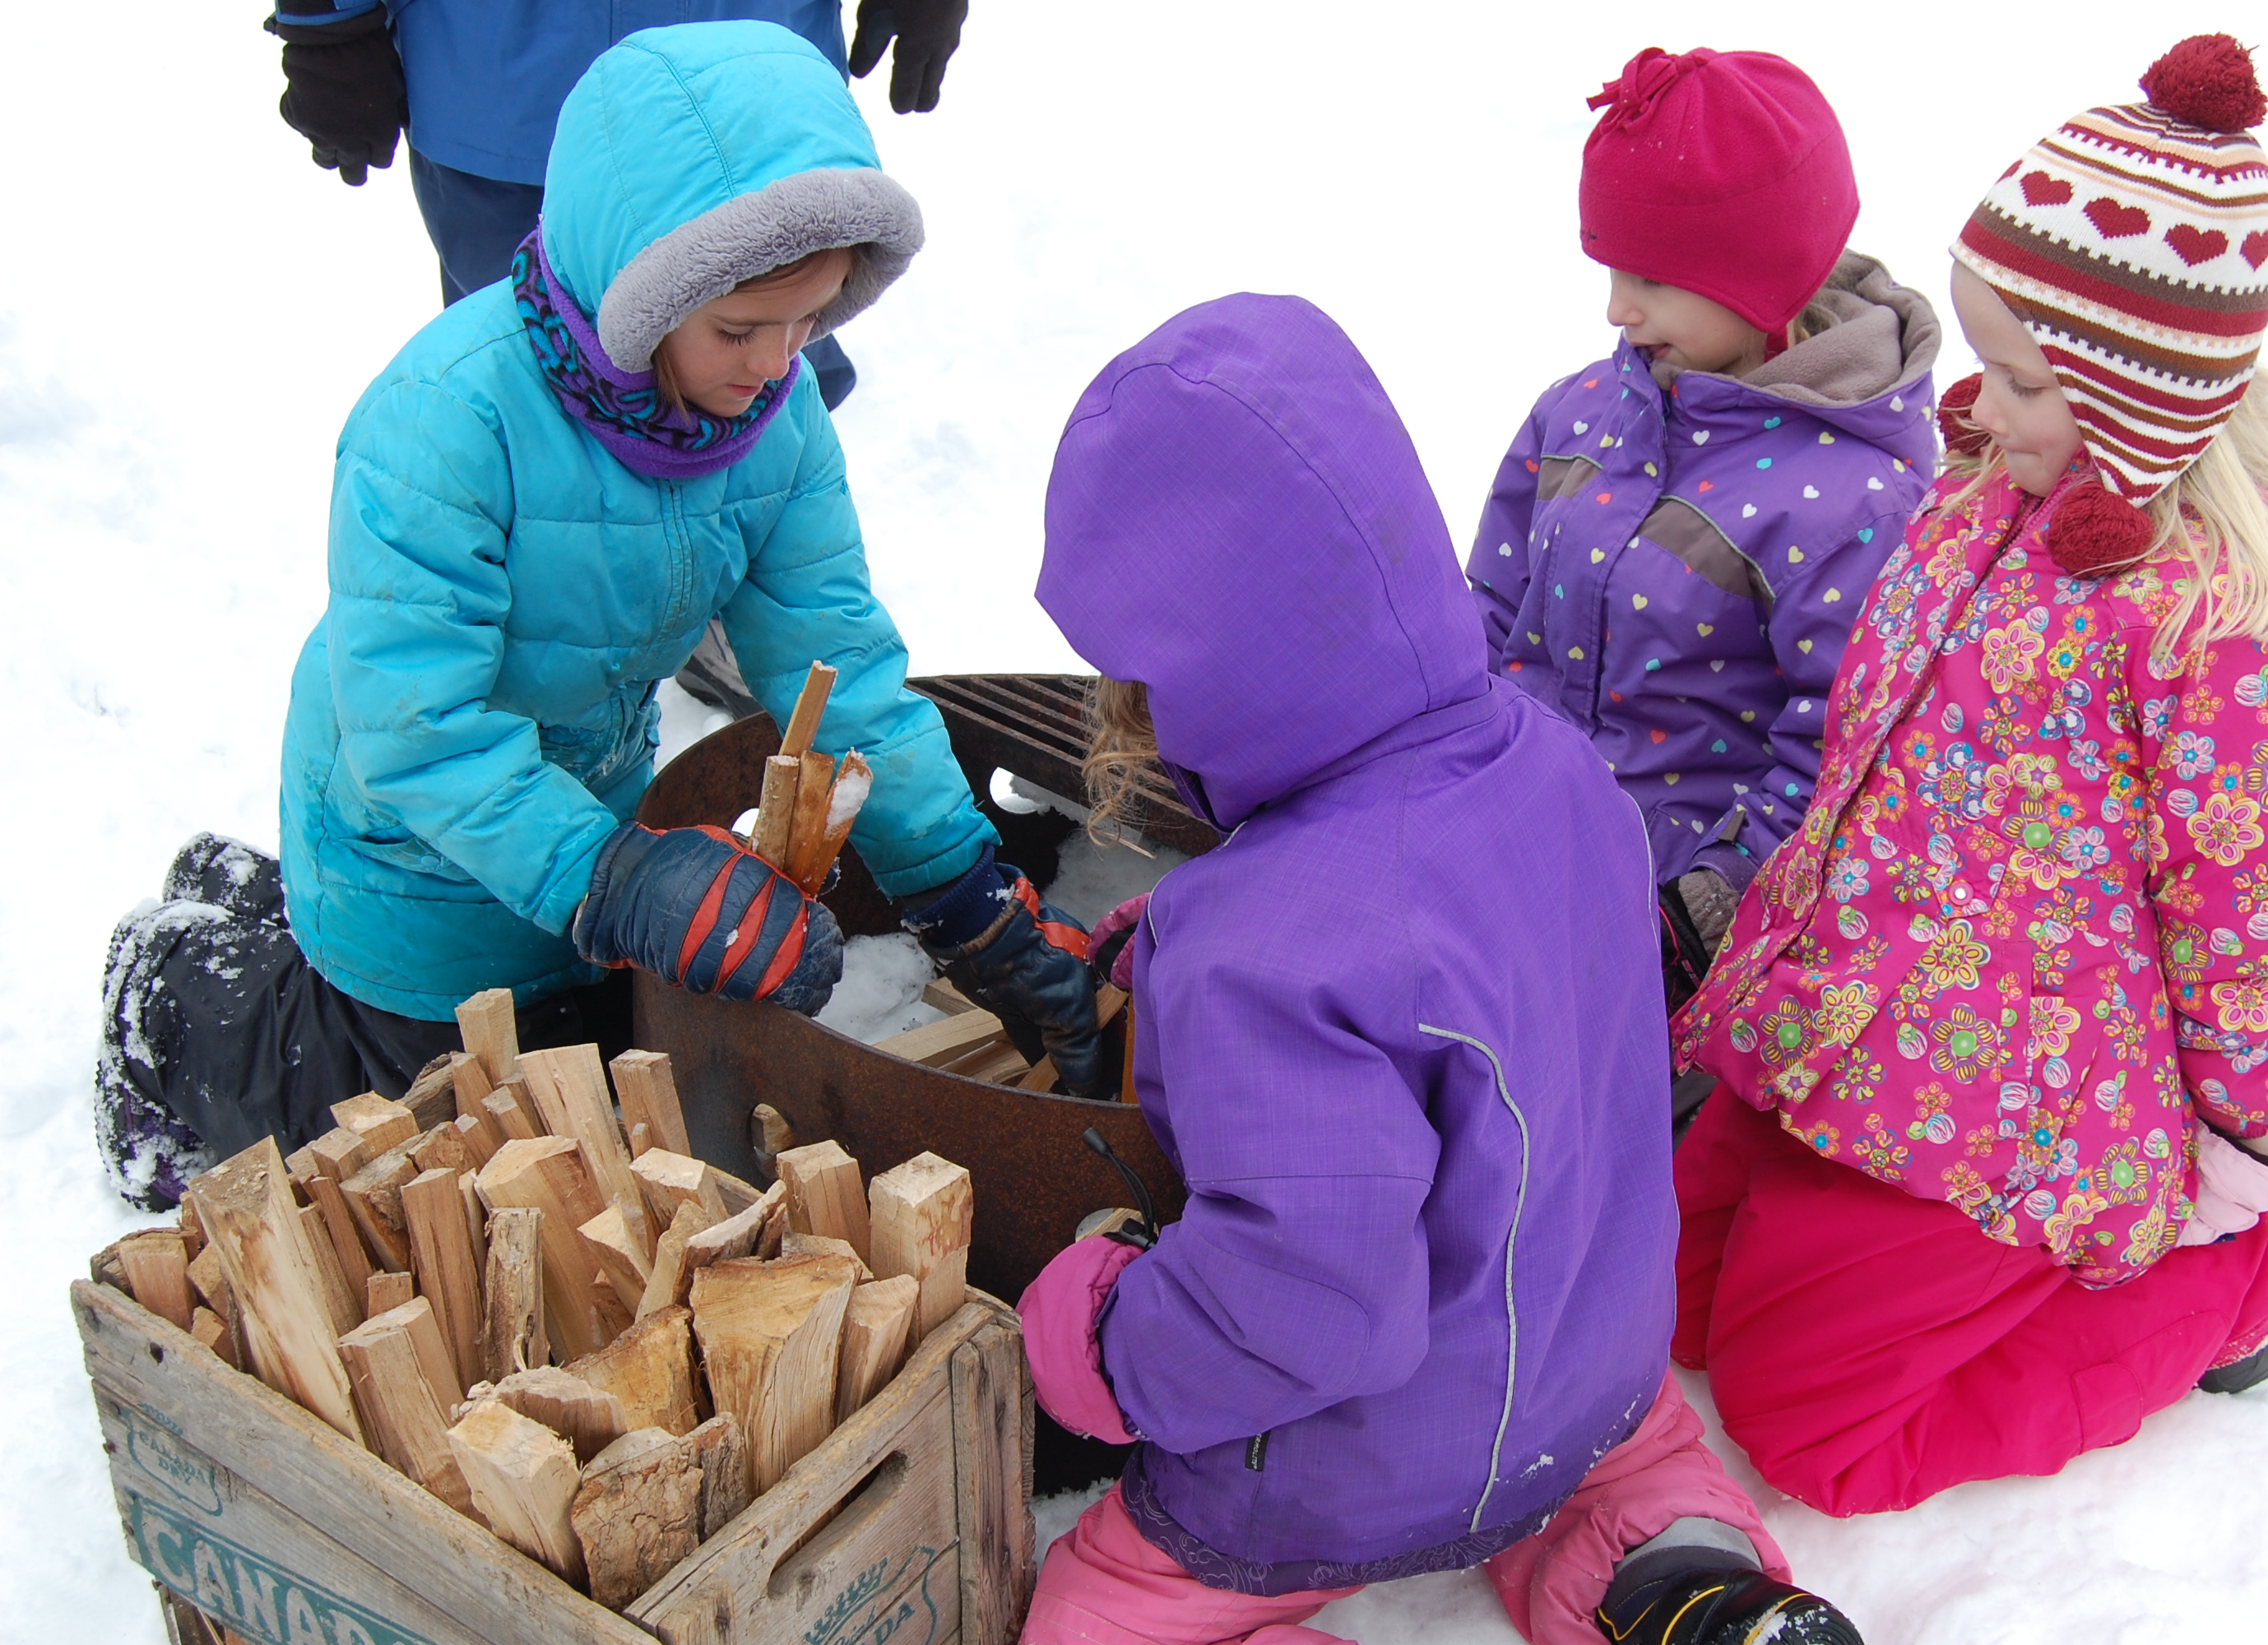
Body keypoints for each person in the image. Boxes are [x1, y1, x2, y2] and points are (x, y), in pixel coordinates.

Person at [95, 22, 1099, 1210]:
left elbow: (840, 667)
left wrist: (964, 895)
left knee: (590, 1067)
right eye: (740, 330)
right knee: (422, 1128)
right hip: (411, 832)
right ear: (642, 286)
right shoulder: (445, 421)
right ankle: (168, 989)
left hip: (578, 807)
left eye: (812, 322)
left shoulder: (771, 420)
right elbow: (419, 732)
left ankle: (242, 891)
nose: (778, 365)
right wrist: (613, 878)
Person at [1017, 294, 1862, 1645]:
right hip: (1589, 1375)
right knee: (1621, 1475)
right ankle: (1675, 1577)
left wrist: (1099, 1340)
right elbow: (1446, 954)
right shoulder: (1557, 770)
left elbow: (1300, 1306)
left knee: (1096, 1618)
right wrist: (1177, 930)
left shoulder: (1262, 961)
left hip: (1362, 1463)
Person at [1664, 35, 2268, 1516]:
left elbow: (2253, 920)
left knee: (1814, 1437)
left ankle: (2230, 1284)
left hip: (2021, 1093)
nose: (1977, 409)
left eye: (2021, 381)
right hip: (1846, 1010)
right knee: (1658, 1305)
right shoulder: (1990, 499)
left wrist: (2247, 1136)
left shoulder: (2218, 639)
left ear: (2145, 400)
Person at [1467, 48, 1938, 1038]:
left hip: (1663, 932)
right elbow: (1489, 609)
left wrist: (1705, 908)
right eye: (1610, 270)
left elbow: (1840, 746)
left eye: (1650, 277)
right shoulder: (1579, 413)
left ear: (1758, 277)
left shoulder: (1847, 502)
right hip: (1494, 845)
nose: (1616, 309)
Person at [259, 0, 967, 409]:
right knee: (529, 388)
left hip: (751, 93)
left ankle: (735, 577)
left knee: (760, 366)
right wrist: (328, 21)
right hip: (510, 90)